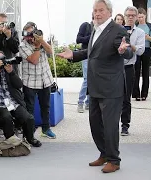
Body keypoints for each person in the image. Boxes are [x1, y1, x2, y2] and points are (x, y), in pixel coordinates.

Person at [57, 0, 133, 173]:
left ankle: (114, 160)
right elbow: (91, 52)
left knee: (110, 125)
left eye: (100, 10)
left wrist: (123, 51)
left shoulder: (118, 30)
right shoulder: (95, 29)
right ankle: (104, 154)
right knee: (95, 123)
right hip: (95, 86)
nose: (97, 13)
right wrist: (73, 55)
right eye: (95, 10)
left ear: (109, 12)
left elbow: (126, 50)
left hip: (111, 88)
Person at [0, 51, 42, 147]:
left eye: (3, 58)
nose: (2, 62)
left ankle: (30, 138)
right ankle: (11, 140)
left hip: (12, 102)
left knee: (29, 117)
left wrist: (11, 72)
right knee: (7, 117)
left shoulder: (9, 71)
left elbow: (19, 85)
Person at [19, 22, 56, 139]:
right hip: (30, 81)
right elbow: (34, 60)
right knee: (29, 108)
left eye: (33, 33)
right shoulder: (22, 45)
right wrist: (37, 46)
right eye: (29, 34)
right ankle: (29, 132)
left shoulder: (41, 42)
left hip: (45, 79)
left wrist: (42, 41)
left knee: (46, 106)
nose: (31, 36)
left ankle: (46, 128)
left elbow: (51, 52)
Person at [121, 6, 145, 136]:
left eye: (132, 15)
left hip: (129, 68)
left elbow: (141, 51)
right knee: (113, 97)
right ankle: (111, 124)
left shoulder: (140, 33)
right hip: (115, 68)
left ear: (136, 17)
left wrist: (131, 46)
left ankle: (125, 125)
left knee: (126, 98)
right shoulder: (118, 30)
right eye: (128, 15)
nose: (130, 17)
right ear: (124, 16)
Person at [132, 8, 151, 101]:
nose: (140, 19)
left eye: (142, 17)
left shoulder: (149, 26)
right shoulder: (135, 26)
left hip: (147, 50)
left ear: (145, 16)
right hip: (137, 50)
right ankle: (136, 94)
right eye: (138, 17)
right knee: (136, 71)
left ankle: (144, 94)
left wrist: (148, 38)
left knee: (145, 72)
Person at [76, 17, 93, 113]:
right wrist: (91, 36)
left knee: (93, 79)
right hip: (85, 55)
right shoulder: (86, 26)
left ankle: (88, 102)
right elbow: (78, 39)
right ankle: (80, 102)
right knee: (87, 79)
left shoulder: (102, 29)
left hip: (96, 57)